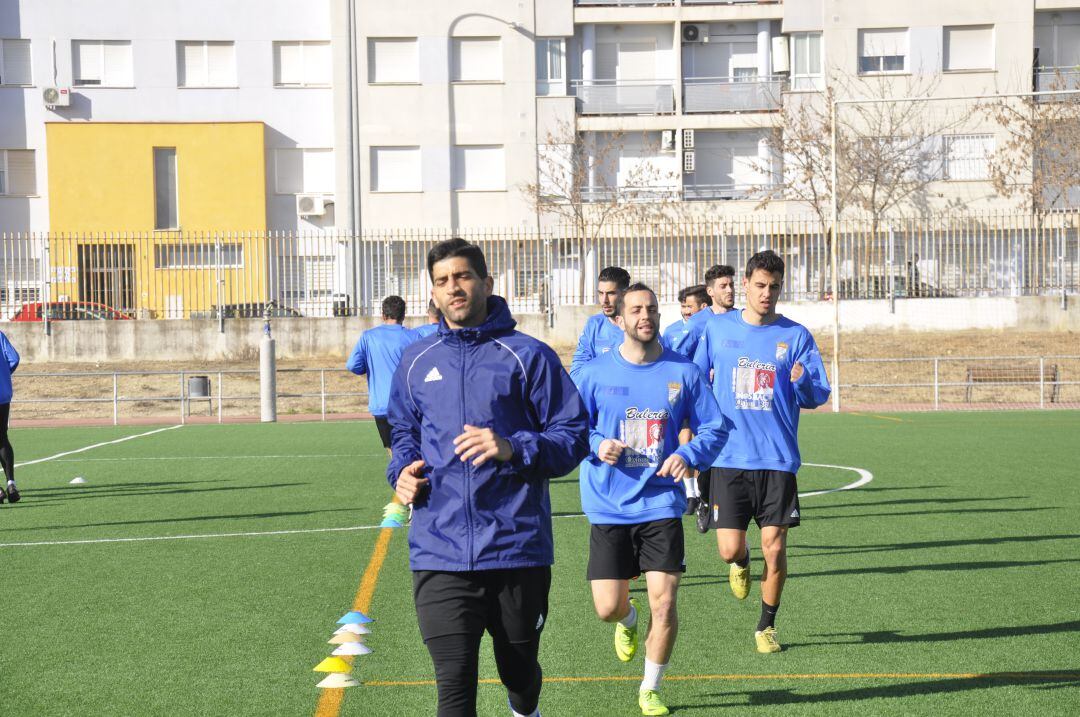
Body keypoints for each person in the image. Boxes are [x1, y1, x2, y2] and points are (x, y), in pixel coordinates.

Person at [387, 238, 589, 717]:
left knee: (519, 674)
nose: (453, 288)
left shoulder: (528, 356)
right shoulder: (416, 361)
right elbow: (403, 434)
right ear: (432, 294)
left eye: (462, 276)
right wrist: (403, 472)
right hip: (439, 549)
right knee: (453, 690)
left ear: (486, 283)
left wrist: (512, 447)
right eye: (442, 281)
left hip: (516, 546)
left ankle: (525, 708)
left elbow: (572, 436)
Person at [575, 283, 726, 717]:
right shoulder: (594, 374)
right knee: (606, 608)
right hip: (609, 504)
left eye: (652, 309)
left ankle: (651, 687)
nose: (646, 316)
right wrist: (596, 443)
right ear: (619, 319)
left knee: (666, 601)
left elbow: (715, 428)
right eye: (637, 309)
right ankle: (627, 619)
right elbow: (568, 427)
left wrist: (686, 453)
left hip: (660, 505)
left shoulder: (684, 372)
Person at [693, 250, 831, 654]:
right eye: (759, 285)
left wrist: (803, 380)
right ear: (747, 285)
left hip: (777, 459)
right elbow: (695, 379)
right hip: (727, 458)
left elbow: (817, 394)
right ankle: (740, 562)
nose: (766, 293)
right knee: (729, 549)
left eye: (774, 286)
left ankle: (767, 625)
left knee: (776, 547)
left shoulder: (797, 336)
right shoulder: (718, 332)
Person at [346, 295, 416, 455]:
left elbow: (352, 365)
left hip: (381, 405)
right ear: (403, 315)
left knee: (393, 450)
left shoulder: (368, 337)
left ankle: (402, 477)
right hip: (406, 405)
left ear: (383, 315)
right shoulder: (413, 337)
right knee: (411, 448)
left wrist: (368, 367)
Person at [570, 266, 630, 379]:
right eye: (601, 293)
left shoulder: (640, 325)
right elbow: (578, 366)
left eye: (611, 293)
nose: (604, 300)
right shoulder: (594, 324)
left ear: (624, 294)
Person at [661, 285, 709, 356]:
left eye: (690, 307)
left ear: (704, 307)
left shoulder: (712, 328)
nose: (686, 312)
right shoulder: (669, 331)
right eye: (683, 306)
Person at [0, 331, 19, 505]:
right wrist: (4, 374)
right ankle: (11, 484)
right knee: (2, 438)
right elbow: (14, 358)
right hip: (2, 394)